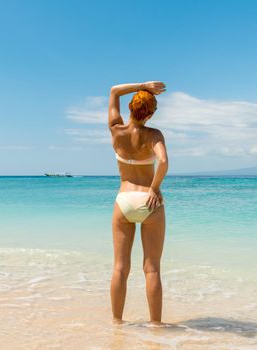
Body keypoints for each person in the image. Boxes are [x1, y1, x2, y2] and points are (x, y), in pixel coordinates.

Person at [108, 81, 168, 325]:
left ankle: (117, 324)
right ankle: (155, 326)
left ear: (130, 108)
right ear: (151, 113)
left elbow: (113, 91)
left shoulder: (116, 130)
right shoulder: (154, 135)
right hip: (149, 201)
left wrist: (143, 85)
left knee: (120, 268)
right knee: (152, 269)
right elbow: (163, 162)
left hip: (124, 200)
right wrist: (154, 188)